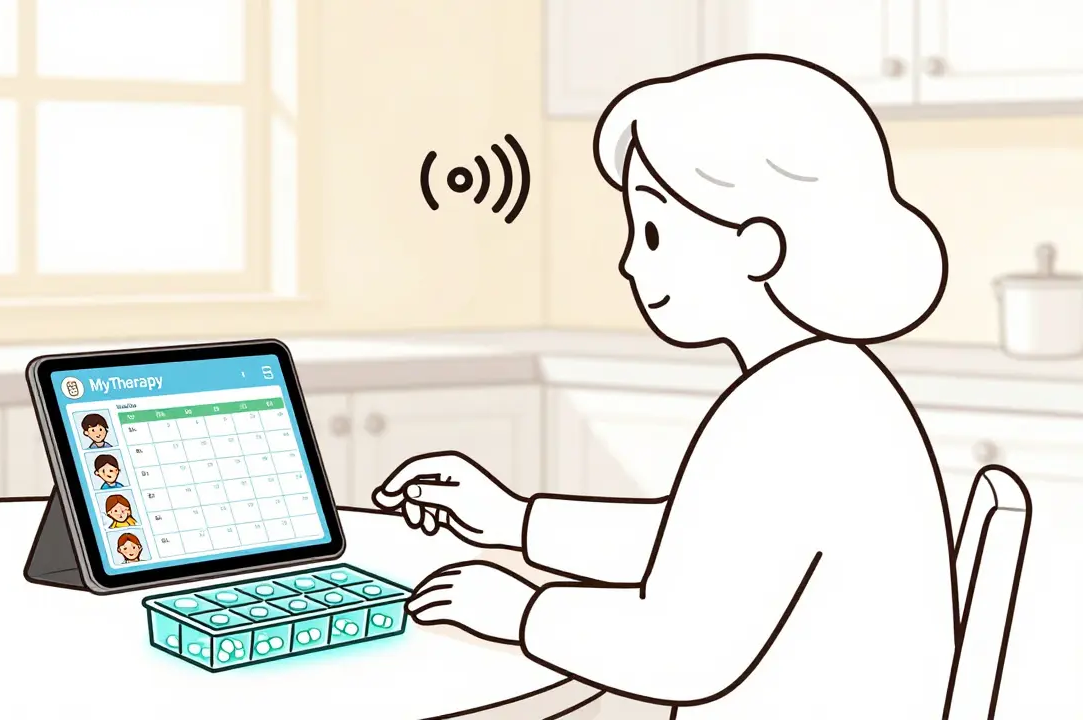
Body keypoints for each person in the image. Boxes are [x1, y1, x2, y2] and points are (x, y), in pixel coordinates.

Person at [373, 55, 956, 719]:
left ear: (757, 247)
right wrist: (511, 519)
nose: (627, 259)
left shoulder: (790, 414)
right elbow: (706, 546)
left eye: (652, 230)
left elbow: (681, 653)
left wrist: (517, 612)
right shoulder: (825, 384)